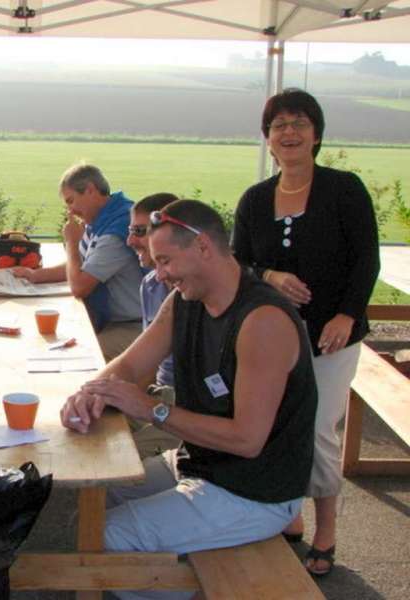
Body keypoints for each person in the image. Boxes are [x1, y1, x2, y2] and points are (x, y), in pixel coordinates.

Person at [61, 200, 317, 600]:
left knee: (106, 538)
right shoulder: (184, 301)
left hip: (255, 494)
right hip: (201, 467)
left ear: (202, 247)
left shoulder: (262, 321)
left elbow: (247, 440)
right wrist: (89, 392)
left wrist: (151, 409)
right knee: (95, 505)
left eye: (165, 261)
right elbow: (129, 366)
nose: (158, 273)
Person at [232, 88, 380, 576]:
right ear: (268, 139)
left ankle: (328, 528)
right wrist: (269, 276)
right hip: (273, 338)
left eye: (299, 123)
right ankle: (289, 511)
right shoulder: (255, 200)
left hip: (332, 335)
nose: (289, 132)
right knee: (277, 424)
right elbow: (239, 263)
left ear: (316, 134)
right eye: (279, 125)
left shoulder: (344, 189)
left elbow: (366, 260)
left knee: (317, 429)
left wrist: (345, 316)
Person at [11, 164, 143, 361]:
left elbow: (80, 286)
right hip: (114, 321)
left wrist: (72, 242)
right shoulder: (102, 219)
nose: (70, 211)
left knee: (78, 357)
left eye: (71, 201)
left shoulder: (116, 230)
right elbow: (81, 266)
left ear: (90, 189)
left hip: (135, 326)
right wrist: (35, 275)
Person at [126, 192, 179, 387]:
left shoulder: (199, 290)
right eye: (130, 230)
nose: (129, 241)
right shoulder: (150, 285)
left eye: (139, 231)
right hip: (160, 394)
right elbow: (147, 364)